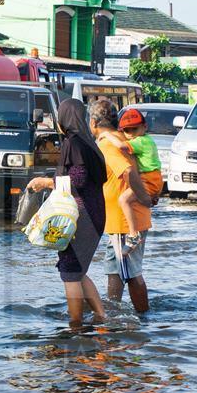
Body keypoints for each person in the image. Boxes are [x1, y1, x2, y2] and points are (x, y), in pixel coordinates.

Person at [27, 99, 107, 328]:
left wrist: (45, 182)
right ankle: (101, 317)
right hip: (96, 212)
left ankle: (75, 324)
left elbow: (78, 179)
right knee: (78, 269)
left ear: (64, 119)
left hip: (81, 216)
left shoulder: (74, 143)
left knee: (70, 270)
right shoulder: (90, 144)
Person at [89, 98, 153, 313]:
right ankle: (113, 312)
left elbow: (126, 171)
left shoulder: (108, 145)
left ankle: (143, 318)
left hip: (125, 223)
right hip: (121, 222)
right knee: (115, 270)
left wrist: (143, 196)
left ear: (93, 123)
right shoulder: (120, 138)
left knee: (131, 273)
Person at [106, 108, 162, 254]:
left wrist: (106, 135)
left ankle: (133, 234)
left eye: (134, 129)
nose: (130, 134)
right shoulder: (147, 139)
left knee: (124, 200)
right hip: (155, 178)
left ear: (145, 127)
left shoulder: (141, 141)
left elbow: (121, 146)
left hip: (148, 178)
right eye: (126, 130)